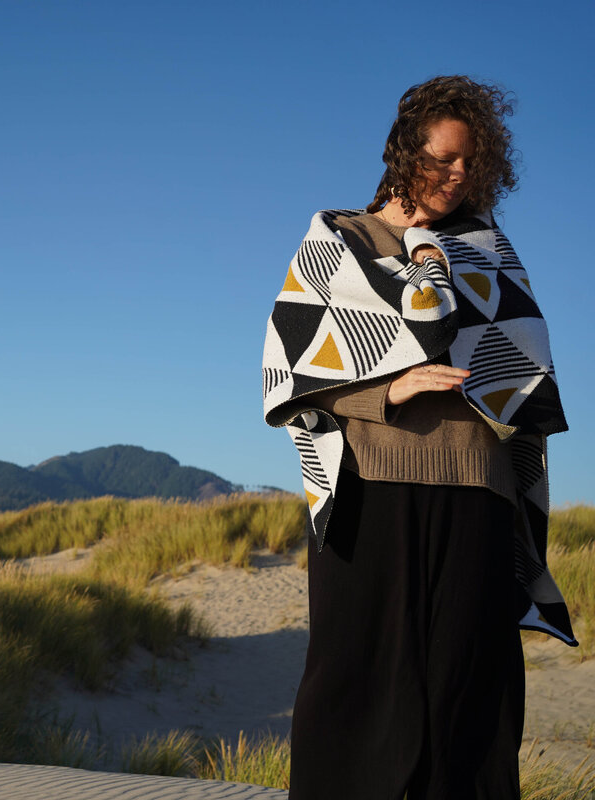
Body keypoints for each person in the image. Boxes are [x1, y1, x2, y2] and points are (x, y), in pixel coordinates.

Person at [261, 75, 574, 800]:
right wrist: (389, 387)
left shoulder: (487, 251)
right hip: (374, 488)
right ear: (404, 153)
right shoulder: (339, 238)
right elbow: (288, 374)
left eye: (473, 164)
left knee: (468, 690)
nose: (458, 175)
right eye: (442, 158)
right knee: (357, 679)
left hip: (479, 492)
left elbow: (523, 365)